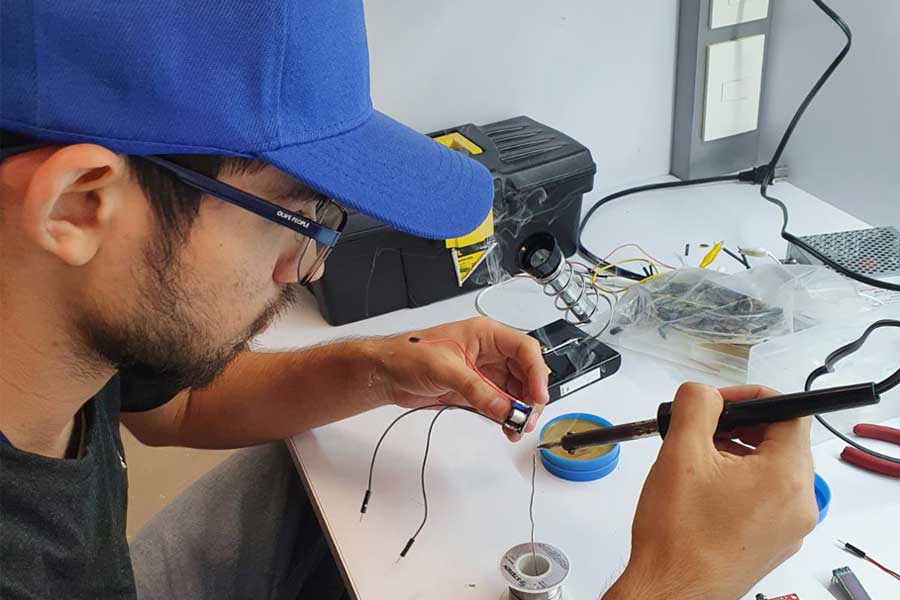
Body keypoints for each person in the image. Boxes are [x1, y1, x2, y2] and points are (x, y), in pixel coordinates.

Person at [0, 2, 819, 599]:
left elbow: (168, 408)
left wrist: (384, 370)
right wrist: (681, 583)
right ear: (78, 205)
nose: (314, 268)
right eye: (298, 215)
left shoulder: (65, 335)